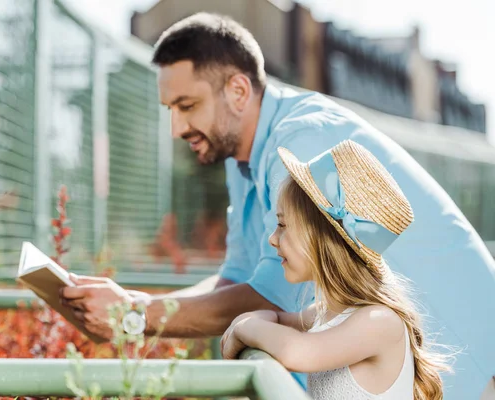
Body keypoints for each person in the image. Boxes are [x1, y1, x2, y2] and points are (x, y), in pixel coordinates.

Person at [59, 12, 495, 398]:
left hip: (472, 369)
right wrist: (132, 303)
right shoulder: (242, 157)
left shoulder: (302, 142)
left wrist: (134, 316)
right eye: (170, 109)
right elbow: (236, 280)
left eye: (187, 106)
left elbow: (268, 294)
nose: (177, 126)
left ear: (238, 90)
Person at [220, 140, 451, 399]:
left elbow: (296, 351)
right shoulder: (325, 314)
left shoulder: (380, 323)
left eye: (283, 225)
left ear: (322, 238)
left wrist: (243, 330)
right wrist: (247, 322)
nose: (272, 238)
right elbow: (273, 320)